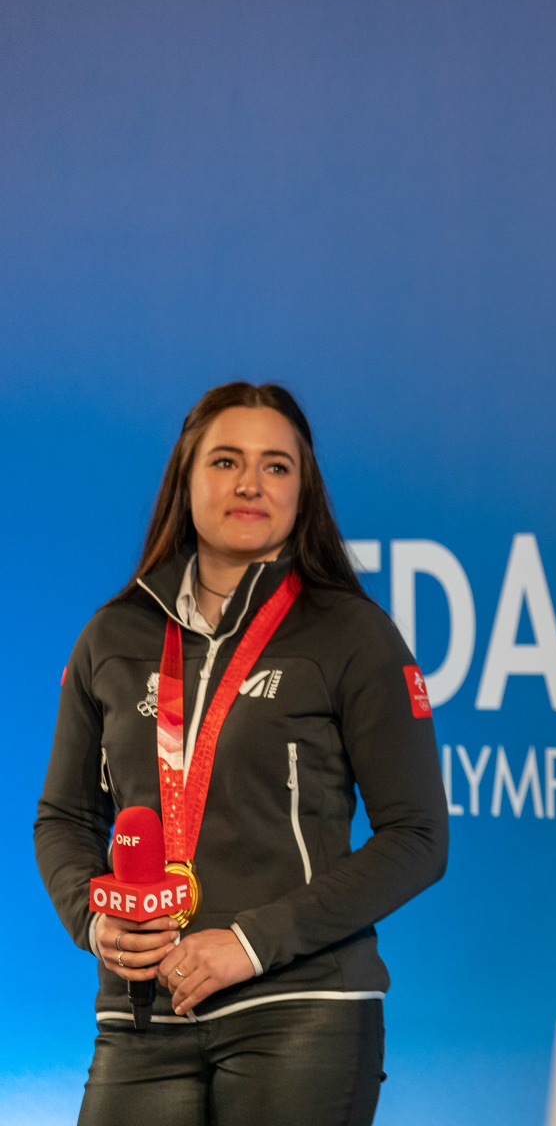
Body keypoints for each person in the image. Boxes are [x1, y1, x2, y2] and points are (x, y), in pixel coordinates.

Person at [36, 383, 449, 1125]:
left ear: (304, 490)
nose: (250, 483)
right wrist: (96, 923)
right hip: (141, 1015)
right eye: (226, 461)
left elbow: (417, 840)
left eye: (277, 466)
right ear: (186, 480)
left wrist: (253, 943)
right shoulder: (113, 634)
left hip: (300, 1009)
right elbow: (63, 816)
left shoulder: (351, 634)